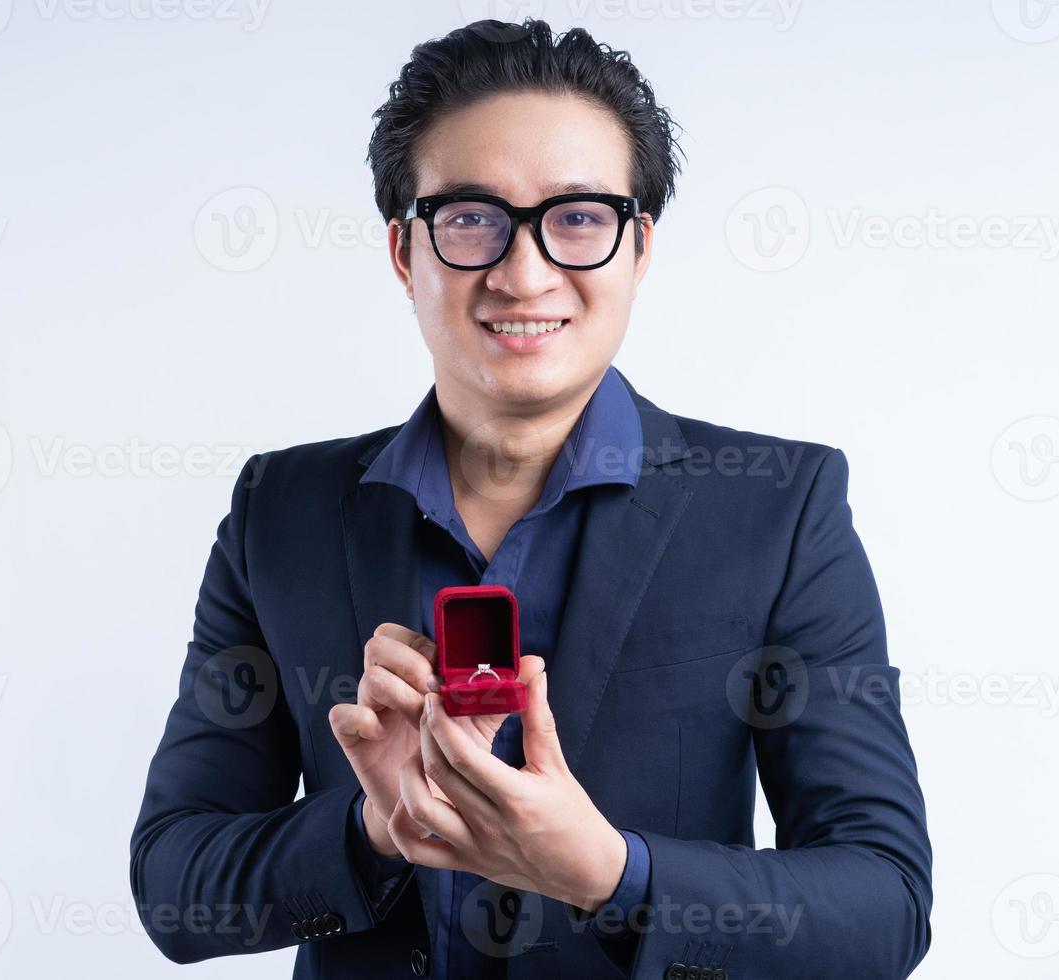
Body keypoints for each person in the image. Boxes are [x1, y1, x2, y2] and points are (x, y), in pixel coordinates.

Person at [130, 18, 931, 979]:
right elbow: (174, 887)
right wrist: (372, 830)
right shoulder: (280, 509)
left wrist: (610, 875)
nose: (522, 271)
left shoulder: (777, 508)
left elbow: (883, 905)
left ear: (638, 247)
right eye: (470, 216)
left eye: (579, 217)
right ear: (403, 252)